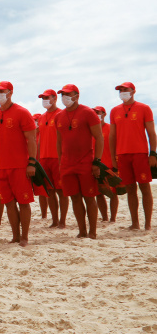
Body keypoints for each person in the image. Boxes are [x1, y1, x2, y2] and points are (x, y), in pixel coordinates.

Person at [0, 81, 37, 247]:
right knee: (8, 203)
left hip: (20, 166)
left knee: (23, 202)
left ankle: (24, 237)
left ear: (10, 93)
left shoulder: (22, 112)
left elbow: (32, 139)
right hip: (2, 167)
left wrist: (32, 163)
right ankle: (15, 236)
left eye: (2, 91)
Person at [54, 85, 103, 239]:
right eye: (62, 94)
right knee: (75, 197)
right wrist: (60, 163)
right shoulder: (59, 116)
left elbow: (99, 138)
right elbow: (59, 142)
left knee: (89, 197)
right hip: (67, 164)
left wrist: (97, 161)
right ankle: (82, 231)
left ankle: (92, 232)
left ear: (77, 96)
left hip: (85, 162)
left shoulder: (88, 112)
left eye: (68, 94)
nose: (64, 97)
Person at [109, 82, 157, 230]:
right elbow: (112, 136)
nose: (122, 92)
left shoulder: (144, 108)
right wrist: (113, 157)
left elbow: (151, 133)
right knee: (130, 189)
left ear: (133, 91)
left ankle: (147, 224)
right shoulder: (114, 111)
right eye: (120, 90)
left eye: (125, 89)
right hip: (122, 155)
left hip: (140, 154)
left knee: (145, 187)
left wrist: (153, 153)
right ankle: (135, 223)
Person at [38, 89, 66, 227]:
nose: (44, 100)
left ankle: (62, 221)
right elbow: (39, 139)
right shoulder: (42, 117)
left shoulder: (62, 114)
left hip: (57, 158)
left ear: (55, 98)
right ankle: (54, 220)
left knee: (61, 191)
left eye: (47, 97)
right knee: (49, 191)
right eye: (43, 98)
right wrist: (36, 159)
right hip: (44, 158)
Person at [93, 106, 118, 222]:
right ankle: (104, 217)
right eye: (94, 112)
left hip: (110, 165)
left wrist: (116, 163)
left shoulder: (110, 128)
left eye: (98, 112)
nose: (96, 114)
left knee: (113, 193)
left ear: (104, 114)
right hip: (96, 166)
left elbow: (116, 145)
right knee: (99, 193)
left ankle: (113, 218)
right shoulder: (91, 129)